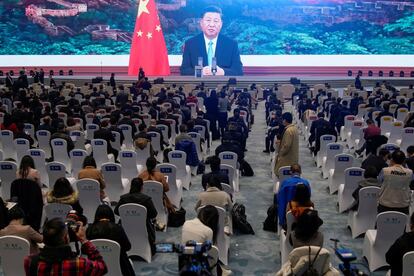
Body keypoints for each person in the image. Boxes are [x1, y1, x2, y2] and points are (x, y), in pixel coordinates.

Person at [24, 218, 107, 275]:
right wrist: (84, 240)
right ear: (66, 238)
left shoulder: (30, 261)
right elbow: (102, 267)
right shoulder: (81, 264)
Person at [180, 6, 243, 76]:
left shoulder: (231, 44)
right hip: (199, 85)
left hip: (222, 85)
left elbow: (239, 71)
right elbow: (184, 71)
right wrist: (200, 72)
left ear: (221, 24)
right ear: (201, 22)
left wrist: (223, 72)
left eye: (216, 21)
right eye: (208, 20)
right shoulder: (191, 44)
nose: (212, 25)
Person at [86, 204, 135, 276]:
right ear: (111, 214)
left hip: (95, 267)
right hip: (120, 265)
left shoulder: (90, 230)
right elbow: (127, 247)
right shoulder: (118, 228)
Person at [114, 178, 158, 254]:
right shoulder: (146, 199)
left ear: (131, 186)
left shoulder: (123, 198)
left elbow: (116, 211)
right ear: (141, 187)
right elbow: (154, 214)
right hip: (145, 228)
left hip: (125, 228)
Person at [378, 150, 414, 215]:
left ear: (392, 159)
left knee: (381, 224)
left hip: (385, 204)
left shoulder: (385, 170)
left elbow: (379, 182)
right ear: (403, 160)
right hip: (403, 205)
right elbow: (410, 181)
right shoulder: (410, 172)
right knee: (402, 224)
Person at [274, 112, 299, 177]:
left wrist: (280, 154)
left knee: (278, 172)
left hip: (287, 158)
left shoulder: (288, 131)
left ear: (285, 120)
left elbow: (287, 145)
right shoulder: (294, 128)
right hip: (294, 156)